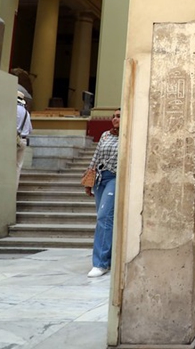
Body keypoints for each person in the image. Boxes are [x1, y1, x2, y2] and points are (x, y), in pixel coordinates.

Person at [84, 108, 120, 278]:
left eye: (119, 116)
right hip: (100, 179)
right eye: (113, 116)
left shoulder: (128, 136)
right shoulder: (106, 135)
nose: (115, 119)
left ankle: (100, 263)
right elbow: (96, 156)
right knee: (104, 218)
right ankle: (110, 258)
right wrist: (88, 179)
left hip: (115, 177)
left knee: (104, 217)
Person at [15, 90, 32, 186]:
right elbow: (30, 129)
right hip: (23, 140)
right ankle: (14, 193)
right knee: (17, 168)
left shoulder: (13, 109)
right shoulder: (26, 113)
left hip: (13, 139)